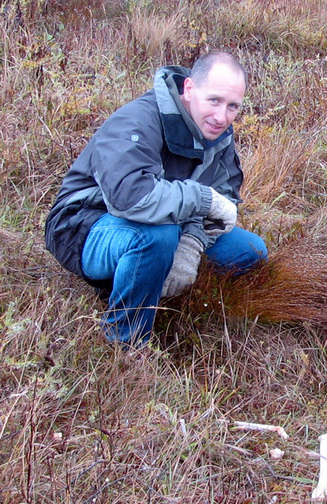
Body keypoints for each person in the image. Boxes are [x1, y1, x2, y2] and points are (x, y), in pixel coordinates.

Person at [44, 50, 268, 347]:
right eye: (214, 100)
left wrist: (191, 244)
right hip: (85, 225)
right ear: (189, 89)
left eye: (232, 106)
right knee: (158, 238)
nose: (221, 116)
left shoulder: (218, 134)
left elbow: (222, 200)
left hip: (169, 225)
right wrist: (199, 199)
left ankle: (154, 286)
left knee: (251, 250)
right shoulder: (137, 121)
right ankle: (126, 342)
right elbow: (130, 199)